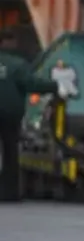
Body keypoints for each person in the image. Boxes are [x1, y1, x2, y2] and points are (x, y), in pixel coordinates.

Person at [0, 30, 59, 201]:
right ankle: (9, 193)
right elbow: (32, 83)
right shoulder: (17, 64)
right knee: (11, 152)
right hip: (11, 114)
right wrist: (56, 86)